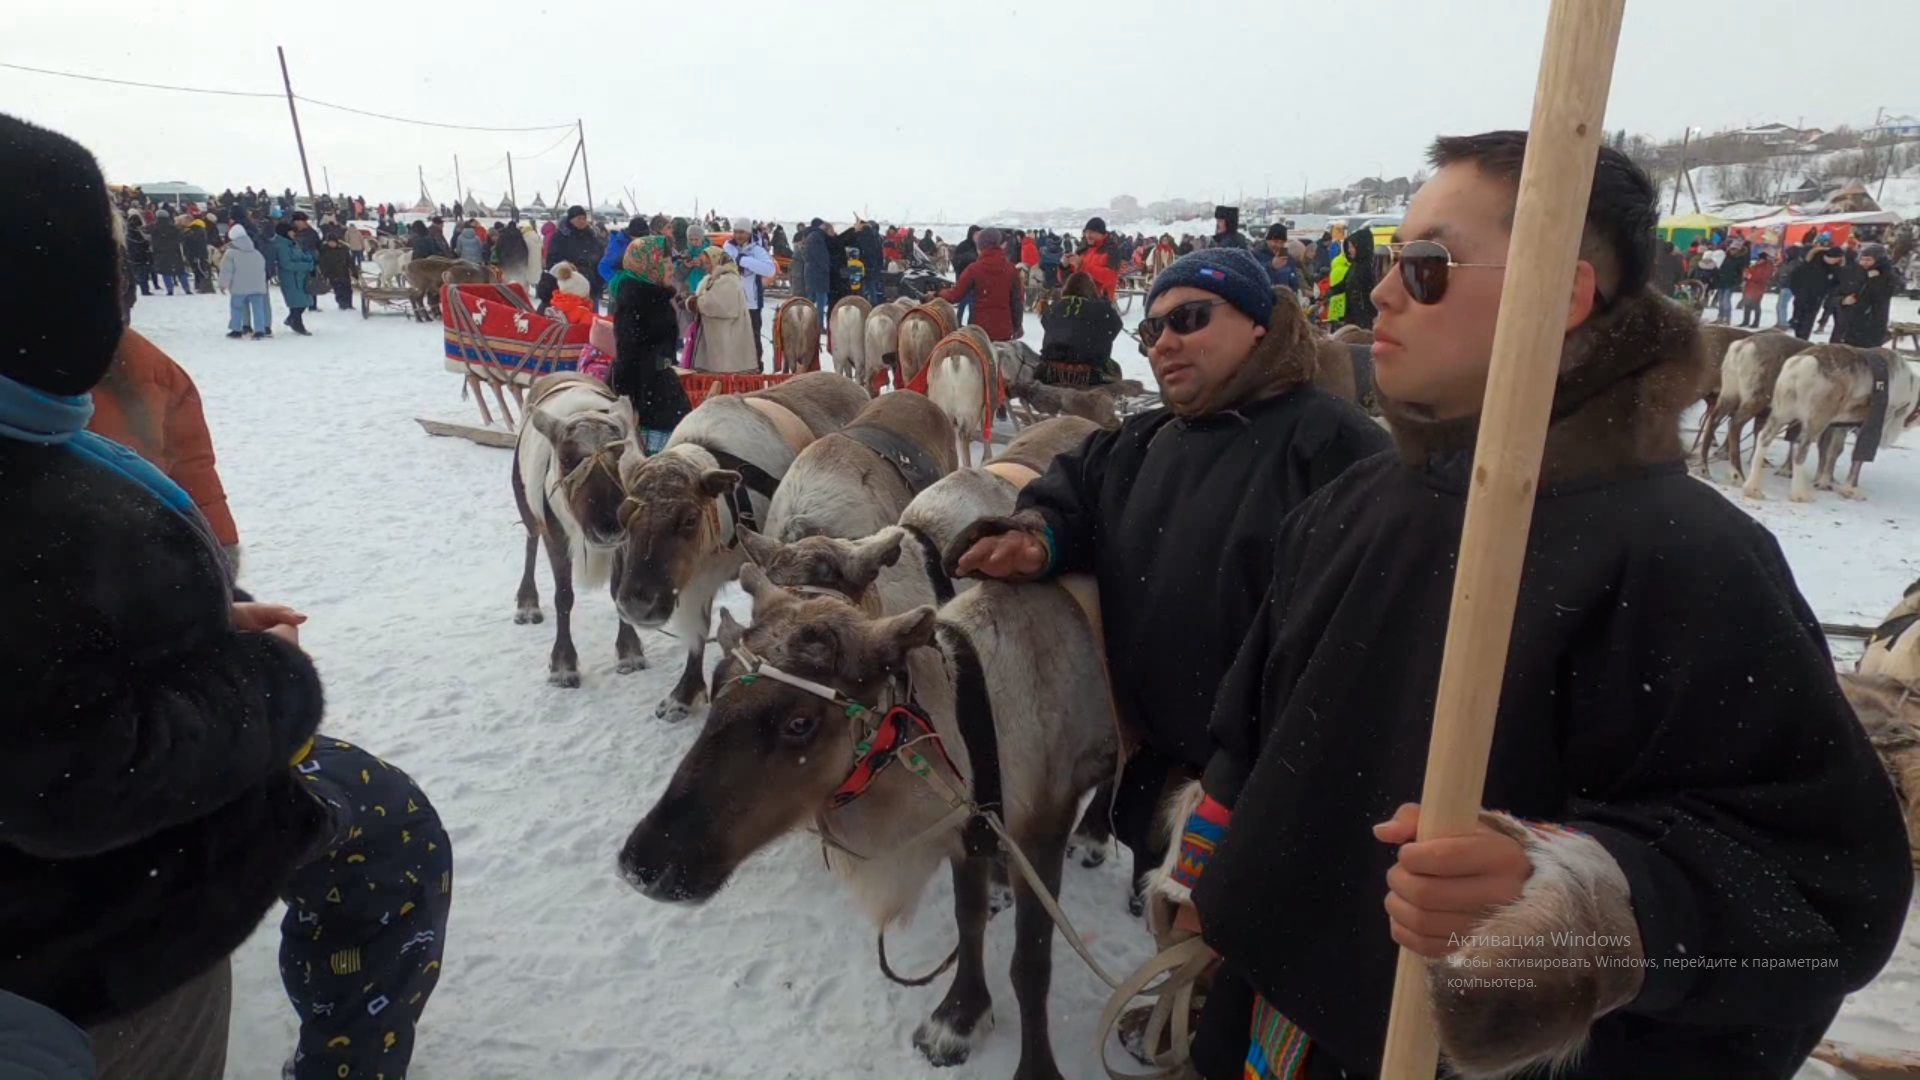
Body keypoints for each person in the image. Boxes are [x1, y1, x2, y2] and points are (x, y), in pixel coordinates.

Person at [1165, 130, 1910, 1080]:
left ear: (1559, 295)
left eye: (1427, 266)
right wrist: (1209, 887)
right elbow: (1252, 736)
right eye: (1394, 259)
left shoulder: (1690, 558)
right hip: (1269, 1036)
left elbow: (1816, 899)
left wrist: (1580, 904)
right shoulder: (1350, 504)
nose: (1384, 293)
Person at [0, 112, 333, 1080]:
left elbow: (35, 665)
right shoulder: (38, 509)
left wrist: (189, 624)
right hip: (83, 967)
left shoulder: (41, 450)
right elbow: (71, 777)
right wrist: (268, 681)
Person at [947, 246, 1391, 900]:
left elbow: (1366, 648)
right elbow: (1073, 496)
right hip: (1160, 777)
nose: (1164, 343)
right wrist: (1036, 539)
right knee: (1180, 946)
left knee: (1247, 964)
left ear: (1259, 324)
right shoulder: (1144, 440)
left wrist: (1252, 785)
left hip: (1276, 794)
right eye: (1153, 329)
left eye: (1191, 318)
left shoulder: (1336, 448)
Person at [89, 327, 241, 567]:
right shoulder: (141, 357)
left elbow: (188, 460)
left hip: (134, 553)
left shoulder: (141, 360)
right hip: (137, 552)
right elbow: (190, 460)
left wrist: (217, 545)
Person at [606, 236, 692, 452]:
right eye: (664, 261)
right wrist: (630, 403)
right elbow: (627, 354)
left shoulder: (654, 294)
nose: (671, 267)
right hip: (646, 392)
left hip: (661, 386)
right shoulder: (634, 300)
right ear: (648, 265)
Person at [1037, 271, 1125, 384]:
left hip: (1051, 371)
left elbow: (1046, 323)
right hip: (1090, 374)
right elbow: (1116, 326)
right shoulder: (1101, 308)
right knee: (1115, 369)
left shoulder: (1055, 307)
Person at [938, 227, 1024, 342]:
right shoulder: (1011, 269)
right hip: (1004, 332)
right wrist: (1018, 326)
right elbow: (1017, 301)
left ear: (980, 246)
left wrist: (939, 292)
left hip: (979, 332)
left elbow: (955, 296)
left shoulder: (974, 269)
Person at [686, 247, 758, 374]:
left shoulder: (728, 280)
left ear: (717, 261)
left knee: (724, 375)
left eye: (708, 263)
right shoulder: (713, 278)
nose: (706, 266)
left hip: (726, 340)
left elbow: (714, 303)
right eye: (705, 263)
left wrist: (692, 302)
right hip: (717, 339)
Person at [726, 223, 779, 367]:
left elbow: (770, 270)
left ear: (749, 233)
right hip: (732, 302)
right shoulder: (728, 247)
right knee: (733, 338)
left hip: (752, 303)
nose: (738, 235)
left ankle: (755, 367)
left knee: (753, 338)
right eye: (736, 232)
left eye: (742, 232)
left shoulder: (757, 250)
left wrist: (744, 261)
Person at [542, 206, 605, 312]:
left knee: (589, 318)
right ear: (571, 220)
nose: (582, 221)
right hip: (568, 287)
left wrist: (599, 280)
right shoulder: (560, 237)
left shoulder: (592, 237)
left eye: (584, 218)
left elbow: (600, 258)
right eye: (579, 218)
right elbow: (551, 261)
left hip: (590, 285)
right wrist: (569, 268)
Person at [218, 224, 273, 339]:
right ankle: (260, 330)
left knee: (237, 307)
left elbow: (227, 270)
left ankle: (236, 329)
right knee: (258, 308)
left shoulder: (231, 253)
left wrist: (223, 284)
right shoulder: (256, 253)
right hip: (257, 286)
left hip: (239, 287)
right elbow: (262, 269)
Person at [1838, 242, 1897, 348]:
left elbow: (1884, 295)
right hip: (1850, 319)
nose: (1864, 263)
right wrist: (1843, 300)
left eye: (1868, 260)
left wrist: (1875, 280)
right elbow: (1840, 291)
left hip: (1872, 322)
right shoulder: (1855, 272)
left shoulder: (1887, 275)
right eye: (1863, 259)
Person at [270, 222, 315, 336]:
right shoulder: (281, 246)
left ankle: (292, 320)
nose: (294, 233)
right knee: (296, 303)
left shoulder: (293, 243)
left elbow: (302, 255)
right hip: (290, 279)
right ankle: (297, 323)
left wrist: (310, 259)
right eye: (291, 231)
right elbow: (286, 264)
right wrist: (306, 266)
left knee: (305, 301)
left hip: (300, 277)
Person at [1789, 244, 1842, 339]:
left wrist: (1826, 293)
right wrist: (1798, 292)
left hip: (1816, 300)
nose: (1837, 261)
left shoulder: (1835, 269)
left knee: (1807, 324)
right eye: (1836, 259)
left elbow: (1836, 284)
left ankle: (1802, 340)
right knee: (1798, 322)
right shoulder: (1810, 264)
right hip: (1802, 297)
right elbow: (1794, 278)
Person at [1067, 216, 1122, 300]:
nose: (1088, 235)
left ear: (1101, 233)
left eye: (1092, 232)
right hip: (1078, 300)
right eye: (1086, 232)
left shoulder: (1111, 249)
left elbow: (1110, 277)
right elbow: (1067, 279)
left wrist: (1082, 265)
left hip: (1099, 303)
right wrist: (1064, 267)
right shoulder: (1082, 248)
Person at [1341, 227, 1378, 329]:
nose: (1349, 251)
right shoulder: (1355, 265)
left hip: (1363, 317)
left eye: (1352, 247)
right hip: (1354, 315)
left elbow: (1369, 293)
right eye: (1348, 247)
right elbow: (1343, 284)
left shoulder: (1368, 267)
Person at [796, 218, 833, 319]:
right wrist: (826, 267)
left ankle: (806, 320)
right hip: (818, 273)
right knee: (821, 300)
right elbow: (819, 255)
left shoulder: (810, 236)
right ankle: (818, 324)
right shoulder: (817, 237)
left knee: (812, 299)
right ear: (819, 226)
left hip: (811, 272)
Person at [599, 216, 649, 284]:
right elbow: (604, 267)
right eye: (640, 238)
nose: (643, 241)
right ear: (632, 235)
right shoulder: (619, 245)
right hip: (625, 288)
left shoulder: (643, 243)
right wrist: (620, 282)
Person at [150, 211, 189, 295]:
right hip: (175, 252)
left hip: (161, 252)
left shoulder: (155, 228)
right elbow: (180, 239)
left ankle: (170, 290)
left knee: (166, 272)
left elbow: (153, 242)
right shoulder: (173, 227)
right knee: (180, 271)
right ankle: (187, 289)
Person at [316, 231, 355, 311]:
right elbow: (322, 263)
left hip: (344, 272)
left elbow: (350, 261)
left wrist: (354, 271)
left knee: (348, 289)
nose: (332, 244)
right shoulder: (324, 250)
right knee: (338, 290)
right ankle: (342, 304)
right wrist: (324, 273)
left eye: (333, 242)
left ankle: (349, 304)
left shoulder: (343, 249)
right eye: (330, 242)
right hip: (332, 274)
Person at [951, 225, 982, 323]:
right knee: (962, 303)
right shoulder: (963, 246)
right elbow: (955, 261)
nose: (978, 236)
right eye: (976, 234)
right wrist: (967, 257)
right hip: (963, 279)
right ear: (971, 234)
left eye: (979, 234)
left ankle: (971, 324)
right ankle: (958, 322)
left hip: (976, 281)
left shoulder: (980, 247)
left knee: (973, 305)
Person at [1714, 236, 1749, 324]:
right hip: (1721, 281)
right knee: (1721, 301)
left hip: (1730, 283)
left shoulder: (1740, 260)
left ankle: (1727, 318)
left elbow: (1741, 273)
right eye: (1731, 249)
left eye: (1734, 249)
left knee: (1726, 301)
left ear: (1738, 250)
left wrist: (1737, 281)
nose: (1732, 250)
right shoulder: (1726, 258)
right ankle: (1720, 317)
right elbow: (1721, 268)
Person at [1257, 223, 1301, 291]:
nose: (1279, 245)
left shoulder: (1289, 259)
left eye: (1282, 242)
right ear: (1267, 240)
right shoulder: (1255, 255)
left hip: (1284, 299)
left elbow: (1294, 281)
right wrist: (1271, 266)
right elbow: (1254, 278)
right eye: (1275, 241)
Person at [1739, 250, 1774, 328]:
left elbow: (1761, 277)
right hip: (1750, 287)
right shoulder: (1757, 265)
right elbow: (1750, 272)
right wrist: (1746, 274)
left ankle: (1755, 322)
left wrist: (1750, 277)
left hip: (1758, 288)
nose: (1759, 260)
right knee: (1747, 305)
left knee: (1756, 305)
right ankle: (1746, 321)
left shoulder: (1766, 267)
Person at [1773, 242, 1803, 328]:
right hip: (1784, 285)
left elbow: (1790, 273)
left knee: (1782, 305)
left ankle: (1782, 323)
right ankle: (1780, 322)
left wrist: (1784, 276)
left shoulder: (1796, 262)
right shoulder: (1788, 261)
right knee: (1780, 305)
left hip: (1789, 286)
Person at [125, 214, 154, 296]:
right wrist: (146, 243)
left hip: (133, 255)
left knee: (139, 273)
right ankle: (145, 290)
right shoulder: (136, 232)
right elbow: (140, 242)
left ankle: (144, 289)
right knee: (142, 274)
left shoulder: (128, 231)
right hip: (140, 255)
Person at [182, 217, 213, 293]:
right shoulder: (201, 232)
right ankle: (203, 286)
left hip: (192, 255)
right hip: (200, 254)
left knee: (197, 270)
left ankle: (198, 286)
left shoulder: (189, 233)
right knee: (202, 270)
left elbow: (186, 245)